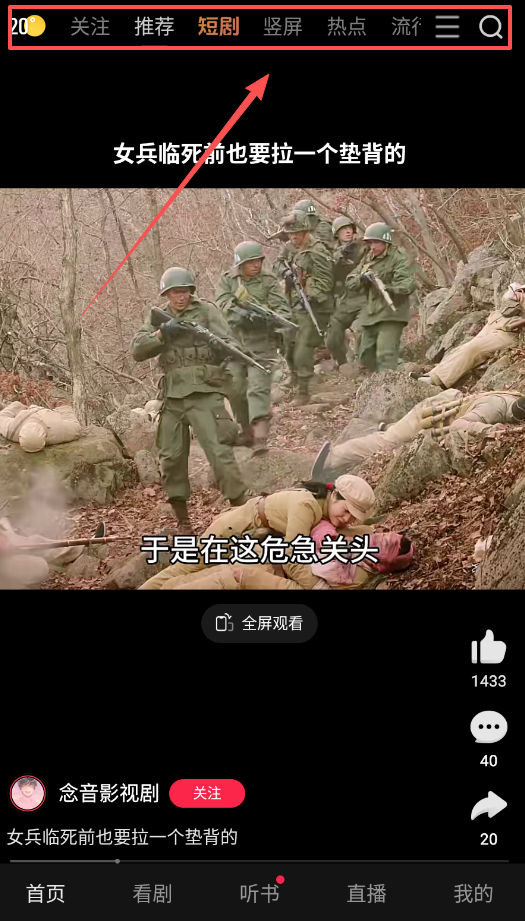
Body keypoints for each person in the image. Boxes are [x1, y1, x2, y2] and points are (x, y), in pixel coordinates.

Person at [131, 267, 247, 535]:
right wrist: (162, 334)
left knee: (220, 453)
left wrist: (217, 346)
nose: (180, 297)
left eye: (184, 292)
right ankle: (183, 521)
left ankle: (243, 511)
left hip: (205, 393)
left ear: (191, 292)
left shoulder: (207, 311)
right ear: (166, 294)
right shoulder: (159, 317)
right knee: (171, 459)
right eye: (175, 293)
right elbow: (137, 349)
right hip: (172, 398)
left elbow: (231, 344)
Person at [138, 474, 376, 589]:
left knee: (200, 575)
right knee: (186, 567)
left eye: (353, 517)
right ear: (334, 495)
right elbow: (293, 555)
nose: (347, 519)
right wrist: (317, 587)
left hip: (249, 532)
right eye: (346, 510)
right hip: (234, 529)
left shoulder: (321, 509)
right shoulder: (306, 506)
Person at [314, 389, 525, 480]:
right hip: (427, 416)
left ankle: (388, 426)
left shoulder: (513, 398)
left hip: (439, 413)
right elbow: (460, 425)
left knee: (396, 435)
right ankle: (332, 457)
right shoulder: (495, 407)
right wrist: (491, 430)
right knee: (388, 442)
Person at [149, 522, 414, 591]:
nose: (378, 537)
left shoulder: (354, 574)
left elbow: (308, 575)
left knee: (229, 576)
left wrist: (286, 550)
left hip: (277, 576)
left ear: (382, 563)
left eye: (384, 544)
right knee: (175, 581)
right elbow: (321, 526)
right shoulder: (361, 538)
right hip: (267, 559)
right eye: (384, 535)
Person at [215, 241, 294, 454]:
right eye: (250, 262)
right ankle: (246, 430)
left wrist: (267, 319)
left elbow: (283, 310)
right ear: (240, 264)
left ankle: (260, 436)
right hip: (235, 343)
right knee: (235, 387)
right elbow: (222, 304)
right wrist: (241, 314)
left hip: (262, 342)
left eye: (258, 261)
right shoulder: (228, 280)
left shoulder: (268, 281)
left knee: (258, 387)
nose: (255, 265)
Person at [413, 283, 525, 389]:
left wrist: (521, 298)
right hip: (496, 323)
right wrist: (514, 291)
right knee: (463, 347)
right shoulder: (515, 293)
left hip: (509, 332)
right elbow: (506, 305)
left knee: (473, 349)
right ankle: (431, 374)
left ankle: (437, 381)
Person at [338, 223, 417, 373]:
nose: (372, 246)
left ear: (385, 242)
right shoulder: (369, 258)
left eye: (376, 242)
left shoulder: (398, 258)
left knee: (385, 353)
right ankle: (382, 378)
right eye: (370, 243)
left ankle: (389, 382)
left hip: (393, 313)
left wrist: (387, 288)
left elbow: (408, 283)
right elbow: (350, 281)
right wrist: (362, 279)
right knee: (365, 353)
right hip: (373, 312)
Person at [279, 211, 334, 405]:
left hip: (315, 306)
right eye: (291, 234)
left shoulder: (317, 251)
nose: (293, 237)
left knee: (302, 346)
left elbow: (326, 281)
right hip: (293, 303)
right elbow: (278, 264)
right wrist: (285, 272)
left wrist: (309, 294)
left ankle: (304, 391)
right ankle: (294, 375)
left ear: (306, 232)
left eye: (297, 233)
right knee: (286, 342)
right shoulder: (290, 248)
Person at [325, 217, 368, 366]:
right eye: (343, 229)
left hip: (361, 297)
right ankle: (342, 363)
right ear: (336, 233)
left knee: (358, 331)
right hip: (341, 300)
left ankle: (361, 364)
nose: (348, 231)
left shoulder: (361, 247)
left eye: (350, 228)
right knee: (332, 338)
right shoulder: (329, 252)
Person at [0, 401, 81, 452]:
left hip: (27, 410)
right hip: (50, 415)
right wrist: (63, 407)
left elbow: (2, 417)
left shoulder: (12, 430)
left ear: (19, 435)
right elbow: (75, 426)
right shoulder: (57, 431)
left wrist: (19, 406)